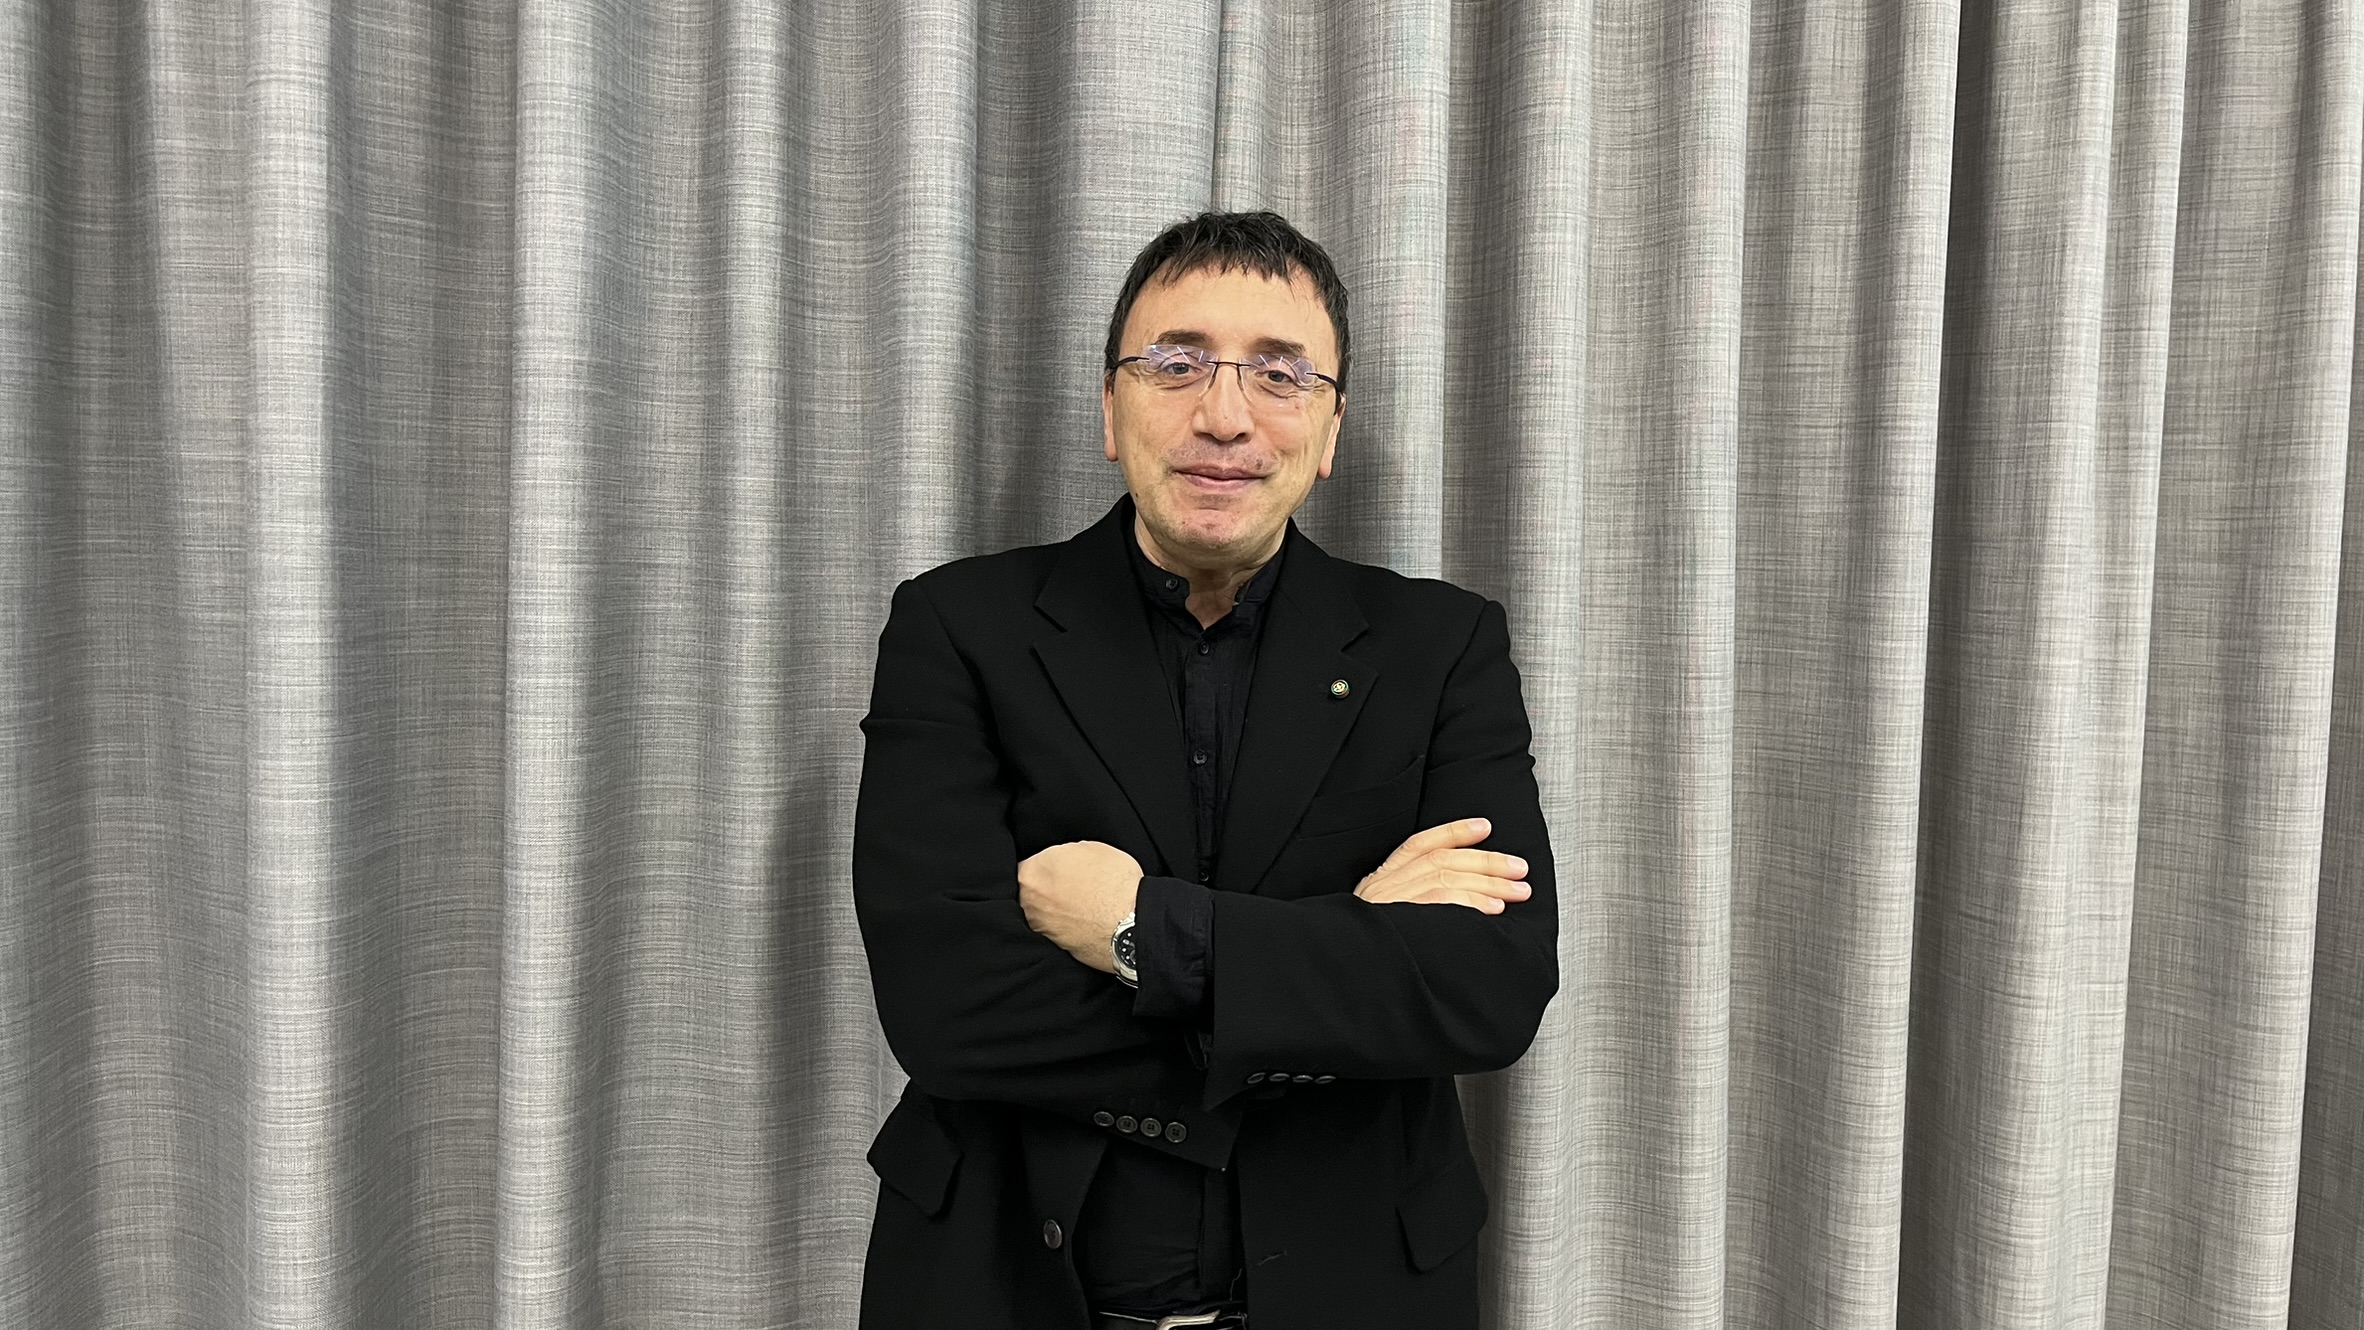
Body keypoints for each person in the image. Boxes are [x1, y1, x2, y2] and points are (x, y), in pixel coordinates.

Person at [851, 210, 1558, 1330]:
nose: (1225, 414)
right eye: (1176, 363)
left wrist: (1141, 933)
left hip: (1356, 1291)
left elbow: (1487, 989)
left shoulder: (1441, 646)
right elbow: (948, 1008)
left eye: (1281, 374)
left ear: (1330, 429)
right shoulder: (958, 627)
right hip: (1001, 1284)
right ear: (1110, 408)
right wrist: (1346, 956)